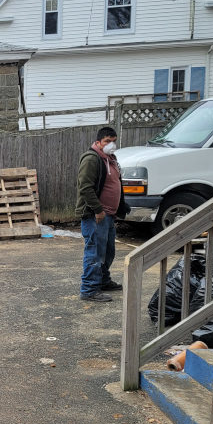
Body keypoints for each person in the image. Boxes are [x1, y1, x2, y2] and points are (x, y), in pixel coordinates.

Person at [76, 126, 130, 302]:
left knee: (108, 252)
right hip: (96, 216)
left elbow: (116, 184)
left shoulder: (111, 159)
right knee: (95, 253)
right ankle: (89, 289)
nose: (111, 144)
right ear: (98, 142)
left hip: (108, 215)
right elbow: (85, 187)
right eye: (107, 141)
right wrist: (97, 210)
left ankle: (103, 281)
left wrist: (120, 207)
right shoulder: (92, 159)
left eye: (113, 141)